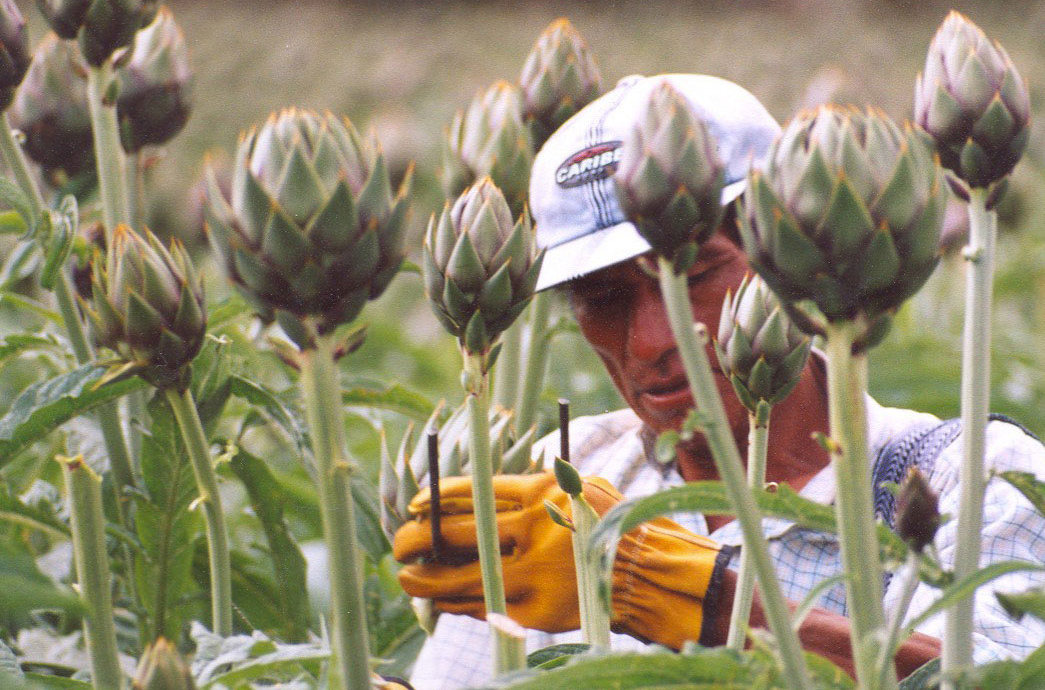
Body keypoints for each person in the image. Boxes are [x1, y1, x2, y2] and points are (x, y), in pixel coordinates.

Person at [393, 75, 1045, 690]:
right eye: (601, 297)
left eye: (697, 275)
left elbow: (1000, 678)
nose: (652, 340)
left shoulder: (978, 478)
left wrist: (680, 594)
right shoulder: (559, 480)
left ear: (783, 252)